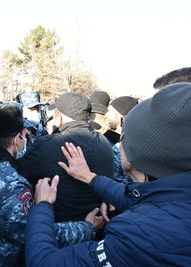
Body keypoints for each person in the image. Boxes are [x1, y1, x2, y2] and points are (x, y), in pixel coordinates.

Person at [25, 83, 191, 266]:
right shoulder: (177, 196)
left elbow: (43, 262)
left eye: (125, 137)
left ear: (141, 151)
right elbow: (143, 199)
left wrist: (43, 206)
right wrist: (91, 178)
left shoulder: (138, 235)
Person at [0, 103, 101, 266]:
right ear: (18, 138)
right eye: (25, 135)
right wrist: (87, 227)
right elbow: (34, 233)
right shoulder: (8, 184)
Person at [17, 92, 114, 222]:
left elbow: (18, 175)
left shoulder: (47, 145)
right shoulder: (104, 141)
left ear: (59, 117)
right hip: (99, 222)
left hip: (61, 229)